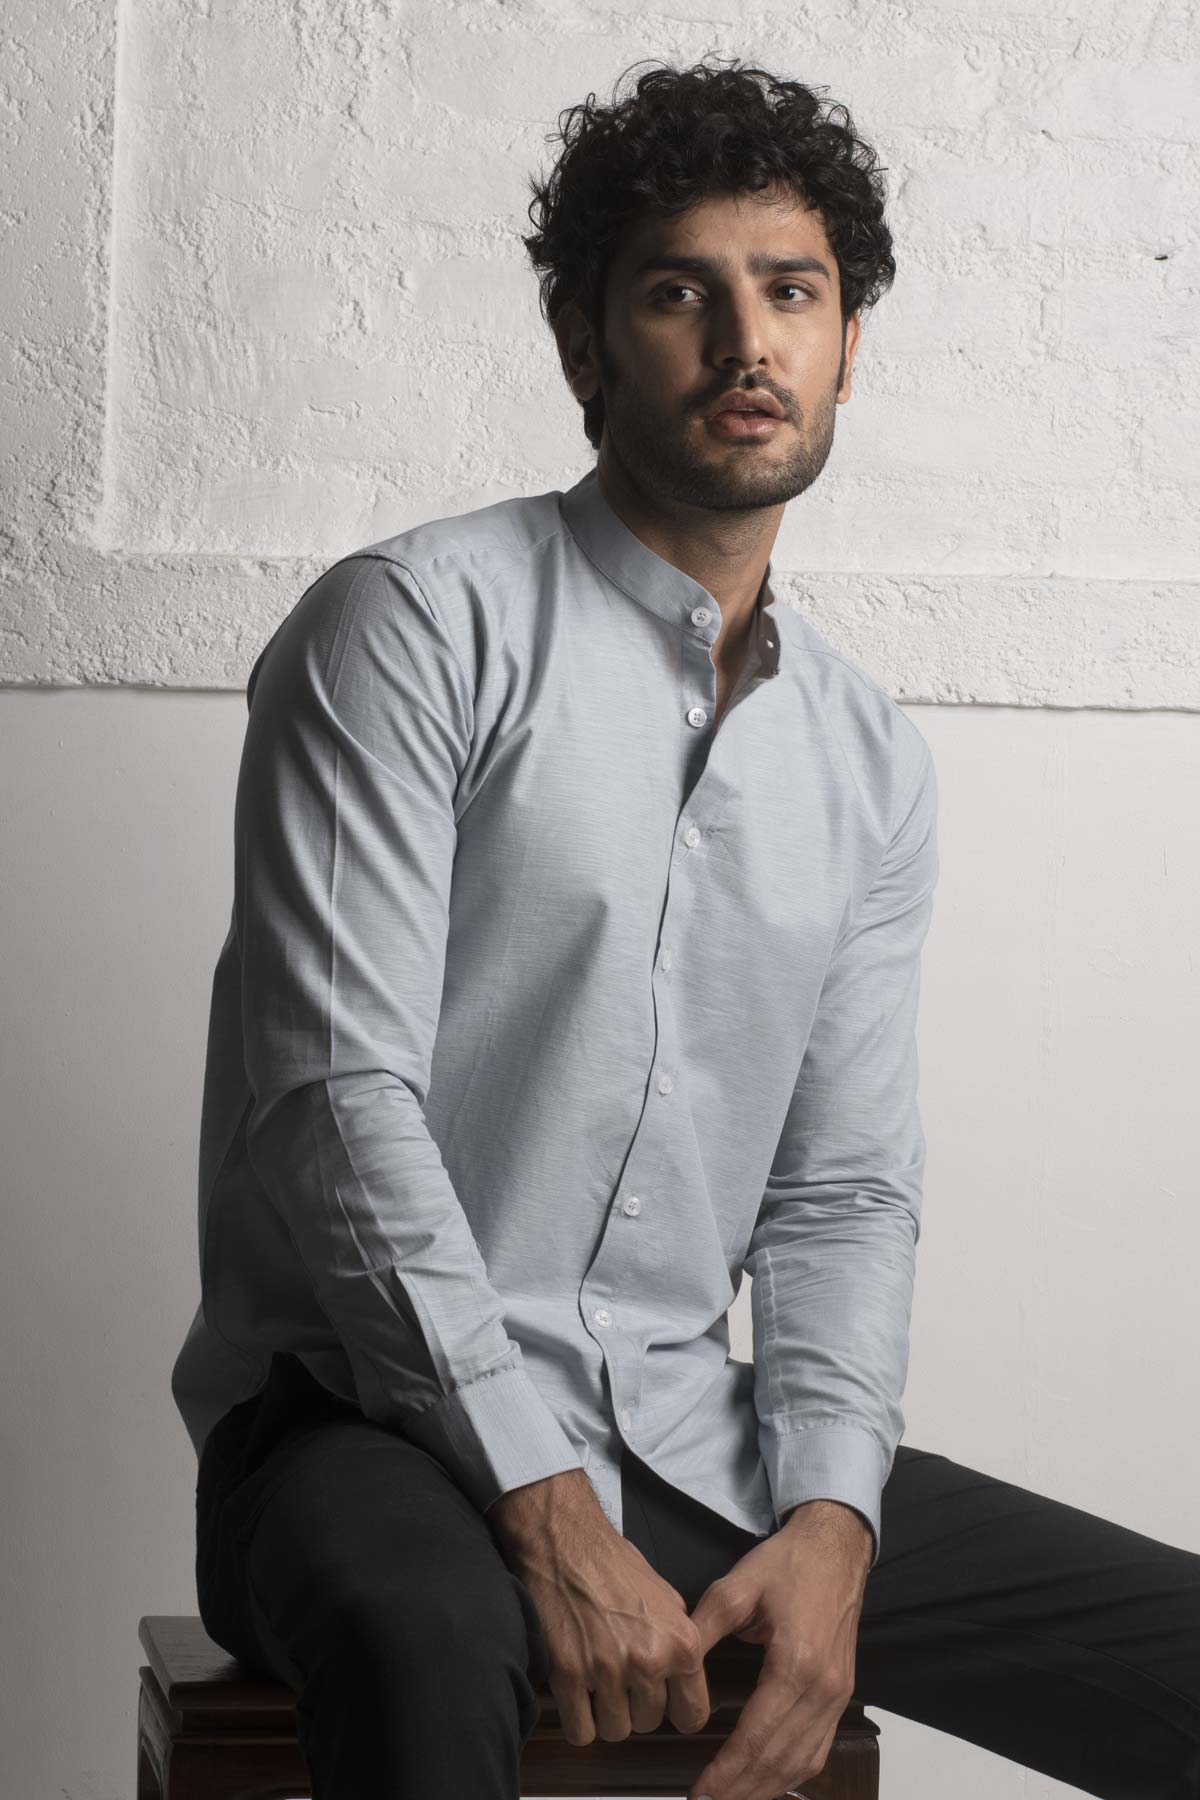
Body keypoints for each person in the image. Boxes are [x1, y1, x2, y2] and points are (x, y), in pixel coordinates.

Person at [175, 56, 1200, 1800]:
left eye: (791, 292)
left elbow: (841, 1190)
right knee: (434, 1645)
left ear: (848, 348)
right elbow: (335, 1105)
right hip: (362, 1426)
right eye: (678, 292)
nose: (746, 342)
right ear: (583, 346)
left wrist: (834, 1517)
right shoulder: (409, 629)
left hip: (687, 1435)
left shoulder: (866, 757)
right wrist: (542, 1502)